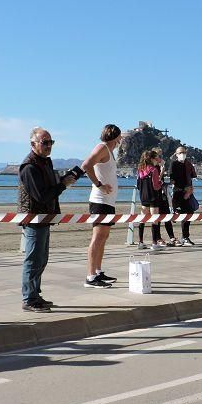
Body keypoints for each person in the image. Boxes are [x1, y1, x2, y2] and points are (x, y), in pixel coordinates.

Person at [18, 127, 78, 312]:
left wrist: (63, 180)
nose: (48, 146)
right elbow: (41, 196)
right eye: (45, 142)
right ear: (33, 144)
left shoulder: (44, 163)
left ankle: (35, 294)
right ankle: (29, 298)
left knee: (41, 259)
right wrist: (62, 184)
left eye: (51, 142)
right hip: (35, 219)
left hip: (44, 218)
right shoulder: (29, 167)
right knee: (33, 259)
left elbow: (49, 188)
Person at [80, 124, 123, 289]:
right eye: (120, 137)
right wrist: (99, 185)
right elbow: (86, 165)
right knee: (97, 238)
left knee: (103, 237)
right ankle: (90, 277)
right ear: (116, 137)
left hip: (108, 202)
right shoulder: (102, 148)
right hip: (99, 201)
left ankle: (98, 271)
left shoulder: (109, 151)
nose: (121, 140)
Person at [136, 150, 165, 250]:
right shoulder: (153, 170)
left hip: (143, 197)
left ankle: (140, 242)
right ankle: (154, 242)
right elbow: (156, 186)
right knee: (154, 220)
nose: (158, 160)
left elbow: (138, 185)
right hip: (153, 197)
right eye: (156, 158)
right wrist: (161, 180)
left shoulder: (140, 169)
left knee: (143, 219)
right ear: (152, 159)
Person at [170, 145, 197, 246]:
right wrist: (182, 190)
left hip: (188, 192)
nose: (182, 154)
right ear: (176, 154)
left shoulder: (188, 164)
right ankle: (172, 238)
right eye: (180, 153)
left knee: (189, 213)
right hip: (178, 193)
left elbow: (192, 177)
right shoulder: (174, 164)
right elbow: (172, 180)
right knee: (178, 214)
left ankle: (185, 237)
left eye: (184, 152)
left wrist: (189, 191)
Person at [153, 147, 178, 246]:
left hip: (162, 193)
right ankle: (158, 238)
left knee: (167, 215)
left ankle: (171, 237)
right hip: (156, 195)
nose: (160, 157)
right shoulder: (153, 168)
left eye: (161, 155)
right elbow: (155, 182)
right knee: (157, 217)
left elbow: (161, 182)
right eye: (159, 155)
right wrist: (162, 172)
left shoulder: (159, 166)